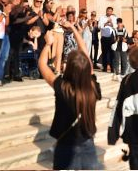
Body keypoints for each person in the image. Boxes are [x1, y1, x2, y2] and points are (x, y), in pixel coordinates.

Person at [38, 18, 102, 170]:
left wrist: (48, 44)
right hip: (87, 143)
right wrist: (73, 29)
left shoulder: (62, 87)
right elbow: (86, 57)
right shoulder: (92, 87)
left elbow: (42, 65)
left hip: (65, 145)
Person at [7, 0, 38, 82]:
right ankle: (8, 73)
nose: (17, 0)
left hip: (19, 34)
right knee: (10, 54)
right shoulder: (10, 8)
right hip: (12, 33)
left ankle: (16, 74)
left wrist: (27, 17)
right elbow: (14, 21)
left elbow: (25, 22)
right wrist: (26, 18)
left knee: (17, 55)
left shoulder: (21, 10)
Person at [99, 6, 117, 73]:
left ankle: (112, 68)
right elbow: (99, 26)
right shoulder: (102, 18)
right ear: (106, 11)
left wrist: (112, 24)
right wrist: (106, 23)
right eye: (108, 11)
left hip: (112, 37)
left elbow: (116, 26)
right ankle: (105, 67)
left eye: (110, 11)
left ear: (112, 12)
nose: (109, 12)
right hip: (104, 37)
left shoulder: (114, 18)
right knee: (104, 52)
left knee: (112, 52)